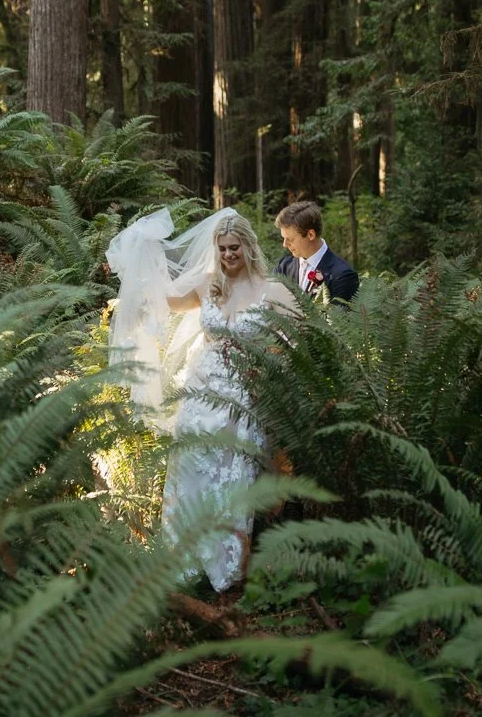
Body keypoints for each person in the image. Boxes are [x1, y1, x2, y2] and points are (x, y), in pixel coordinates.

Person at [104, 207, 297, 592]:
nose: (228, 255)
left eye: (234, 248)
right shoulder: (207, 285)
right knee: (191, 468)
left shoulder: (271, 290)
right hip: (201, 393)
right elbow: (161, 299)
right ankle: (184, 564)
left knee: (232, 477)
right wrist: (141, 256)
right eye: (222, 248)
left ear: (249, 246)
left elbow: (297, 338)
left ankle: (226, 568)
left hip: (244, 394)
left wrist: (269, 365)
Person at [273, 200, 360, 303]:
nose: (284, 244)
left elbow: (339, 317)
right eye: (283, 238)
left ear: (310, 235)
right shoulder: (283, 267)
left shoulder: (343, 276)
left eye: (290, 239)